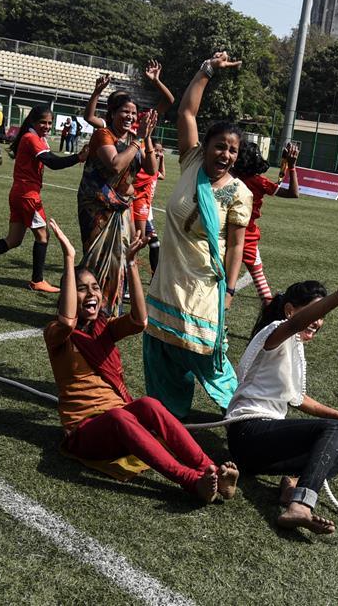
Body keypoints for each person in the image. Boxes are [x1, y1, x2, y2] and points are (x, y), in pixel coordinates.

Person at [43, 219, 239, 503]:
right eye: (82, 289)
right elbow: (67, 319)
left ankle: (210, 469)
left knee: (148, 404)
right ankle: (190, 481)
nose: (92, 294)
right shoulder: (56, 335)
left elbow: (140, 320)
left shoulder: (105, 327)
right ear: (69, 294)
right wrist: (69, 257)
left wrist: (131, 263)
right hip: (84, 432)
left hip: (120, 420)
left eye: (95, 288)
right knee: (120, 416)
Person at [224, 259, 338, 534]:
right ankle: (300, 505)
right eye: (314, 312)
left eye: (321, 316)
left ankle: (294, 483)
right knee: (335, 430)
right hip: (247, 434)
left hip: (263, 450)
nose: (318, 321)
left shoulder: (294, 343)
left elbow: (297, 398)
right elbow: (298, 323)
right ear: (290, 311)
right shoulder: (275, 331)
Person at [142, 51, 252, 420]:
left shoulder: (239, 193)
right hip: (167, 281)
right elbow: (186, 112)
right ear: (205, 146)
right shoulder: (190, 162)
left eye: (233, 150)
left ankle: (246, 417)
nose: (225, 154)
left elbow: (236, 245)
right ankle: (167, 417)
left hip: (204, 286)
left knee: (206, 355)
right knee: (160, 350)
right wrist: (206, 71)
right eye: (220, 145)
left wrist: (232, 291)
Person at [0, 105, 89, 292]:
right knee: (42, 236)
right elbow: (52, 162)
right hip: (27, 195)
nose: (47, 126)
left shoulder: (35, 137)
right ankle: (37, 281)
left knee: (14, 240)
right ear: (33, 122)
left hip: (19, 193)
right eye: (43, 122)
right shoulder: (31, 138)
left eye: (49, 123)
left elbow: (50, 157)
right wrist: (78, 157)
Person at [76, 92, 158, 316]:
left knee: (119, 258)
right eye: (125, 112)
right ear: (112, 113)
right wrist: (136, 141)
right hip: (96, 205)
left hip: (120, 207)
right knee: (95, 257)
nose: (129, 117)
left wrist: (147, 138)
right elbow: (115, 165)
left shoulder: (134, 139)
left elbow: (151, 169)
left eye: (133, 113)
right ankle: (82, 308)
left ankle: (108, 310)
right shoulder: (104, 135)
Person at [232, 141, 301, 305]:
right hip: (248, 235)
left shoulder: (228, 176)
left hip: (226, 232)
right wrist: (291, 166)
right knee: (259, 278)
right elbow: (293, 193)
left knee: (221, 280)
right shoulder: (259, 181)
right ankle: (270, 316)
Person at [84, 60, 175, 133]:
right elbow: (89, 118)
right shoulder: (108, 125)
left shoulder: (141, 120)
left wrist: (156, 81)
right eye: (120, 102)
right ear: (113, 111)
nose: (129, 116)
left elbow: (169, 100)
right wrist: (97, 92)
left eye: (126, 99)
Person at [131, 140, 166, 275]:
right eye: (156, 150)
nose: (158, 153)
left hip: (146, 210)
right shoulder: (146, 171)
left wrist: (161, 160)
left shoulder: (153, 170)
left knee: (153, 243)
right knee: (137, 244)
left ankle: (154, 275)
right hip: (139, 209)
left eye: (160, 151)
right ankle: (127, 281)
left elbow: (162, 175)